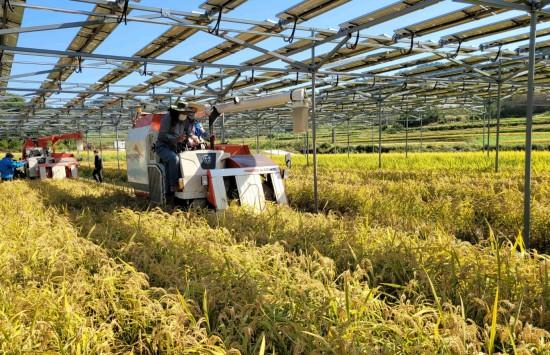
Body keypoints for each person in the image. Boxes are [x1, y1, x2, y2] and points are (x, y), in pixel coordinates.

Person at [155, 101, 202, 196]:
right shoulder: (168, 118)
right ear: (177, 111)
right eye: (183, 113)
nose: (185, 115)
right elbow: (162, 135)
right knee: (174, 159)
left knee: (171, 169)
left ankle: (168, 194)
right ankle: (174, 185)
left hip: (174, 147)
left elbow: (188, 132)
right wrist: (176, 138)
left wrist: (193, 137)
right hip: (162, 146)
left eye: (186, 113)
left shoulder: (184, 119)